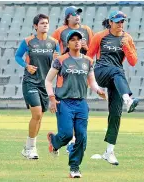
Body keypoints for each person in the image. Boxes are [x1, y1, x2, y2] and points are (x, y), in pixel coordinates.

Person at [45, 30, 106, 178]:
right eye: (73, 39)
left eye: (79, 39)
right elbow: (48, 80)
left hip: (81, 103)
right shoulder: (60, 60)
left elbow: (92, 81)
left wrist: (98, 90)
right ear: (68, 43)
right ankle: (55, 140)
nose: (77, 41)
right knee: (66, 134)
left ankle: (74, 168)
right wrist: (52, 98)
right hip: (64, 102)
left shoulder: (88, 61)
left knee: (82, 137)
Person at [87, 11, 139, 165]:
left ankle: (109, 152)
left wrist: (126, 47)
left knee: (116, 114)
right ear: (110, 22)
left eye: (122, 21)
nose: (120, 24)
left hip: (117, 79)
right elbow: (89, 56)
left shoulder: (127, 38)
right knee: (116, 70)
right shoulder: (100, 36)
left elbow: (133, 61)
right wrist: (91, 81)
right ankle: (128, 99)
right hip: (101, 71)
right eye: (117, 22)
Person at [15, 14, 60, 160]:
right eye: (41, 23)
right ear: (35, 26)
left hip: (45, 84)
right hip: (30, 82)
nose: (45, 25)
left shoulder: (54, 42)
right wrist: (26, 66)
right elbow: (17, 56)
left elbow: (58, 62)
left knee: (40, 118)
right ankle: (31, 148)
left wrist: (56, 60)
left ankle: (28, 148)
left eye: (46, 23)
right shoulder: (28, 41)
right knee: (37, 115)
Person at [52, 6, 94, 152]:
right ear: (68, 17)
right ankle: (64, 140)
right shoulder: (60, 31)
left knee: (80, 122)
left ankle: (71, 144)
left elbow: (91, 50)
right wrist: (56, 55)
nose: (77, 17)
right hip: (65, 75)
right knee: (67, 125)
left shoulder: (87, 30)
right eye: (74, 14)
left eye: (79, 14)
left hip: (81, 73)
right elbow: (53, 45)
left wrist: (86, 47)